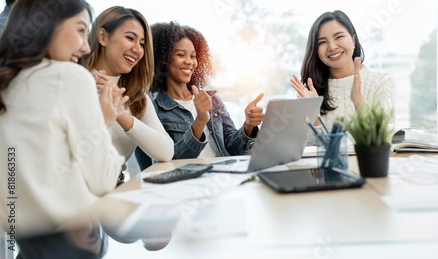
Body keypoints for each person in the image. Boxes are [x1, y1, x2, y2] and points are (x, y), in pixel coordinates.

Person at [0, 0, 126, 238]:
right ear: (47, 25)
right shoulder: (69, 76)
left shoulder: (7, 82)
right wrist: (105, 122)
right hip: (71, 234)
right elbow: (102, 182)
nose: (86, 48)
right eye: (80, 30)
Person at [135, 21, 264, 169]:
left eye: (193, 56)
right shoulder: (154, 110)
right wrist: (200, 121)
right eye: (181, 55)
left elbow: (235, 150)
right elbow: (168, 162)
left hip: (224, 176)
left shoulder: (213, 101)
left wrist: (249, 125)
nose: (189, 62)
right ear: (163, 59)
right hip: (186, 184)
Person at [80, 6, 174, 171]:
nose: (137, 49)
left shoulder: (136, 97)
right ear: (102, 36)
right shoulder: (76, 81)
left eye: (142, 43)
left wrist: (123, 116)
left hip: (116, 188)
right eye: (130, 38)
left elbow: (166, 152)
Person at [290, 10, 395, 138]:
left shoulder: (381, 80)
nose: (332, 47)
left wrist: (358, 102)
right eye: (322, 42)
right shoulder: (311, 92)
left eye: (339, 37)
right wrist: (315, 115)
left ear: (353, 39)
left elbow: (384, 138)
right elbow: (310, 150)